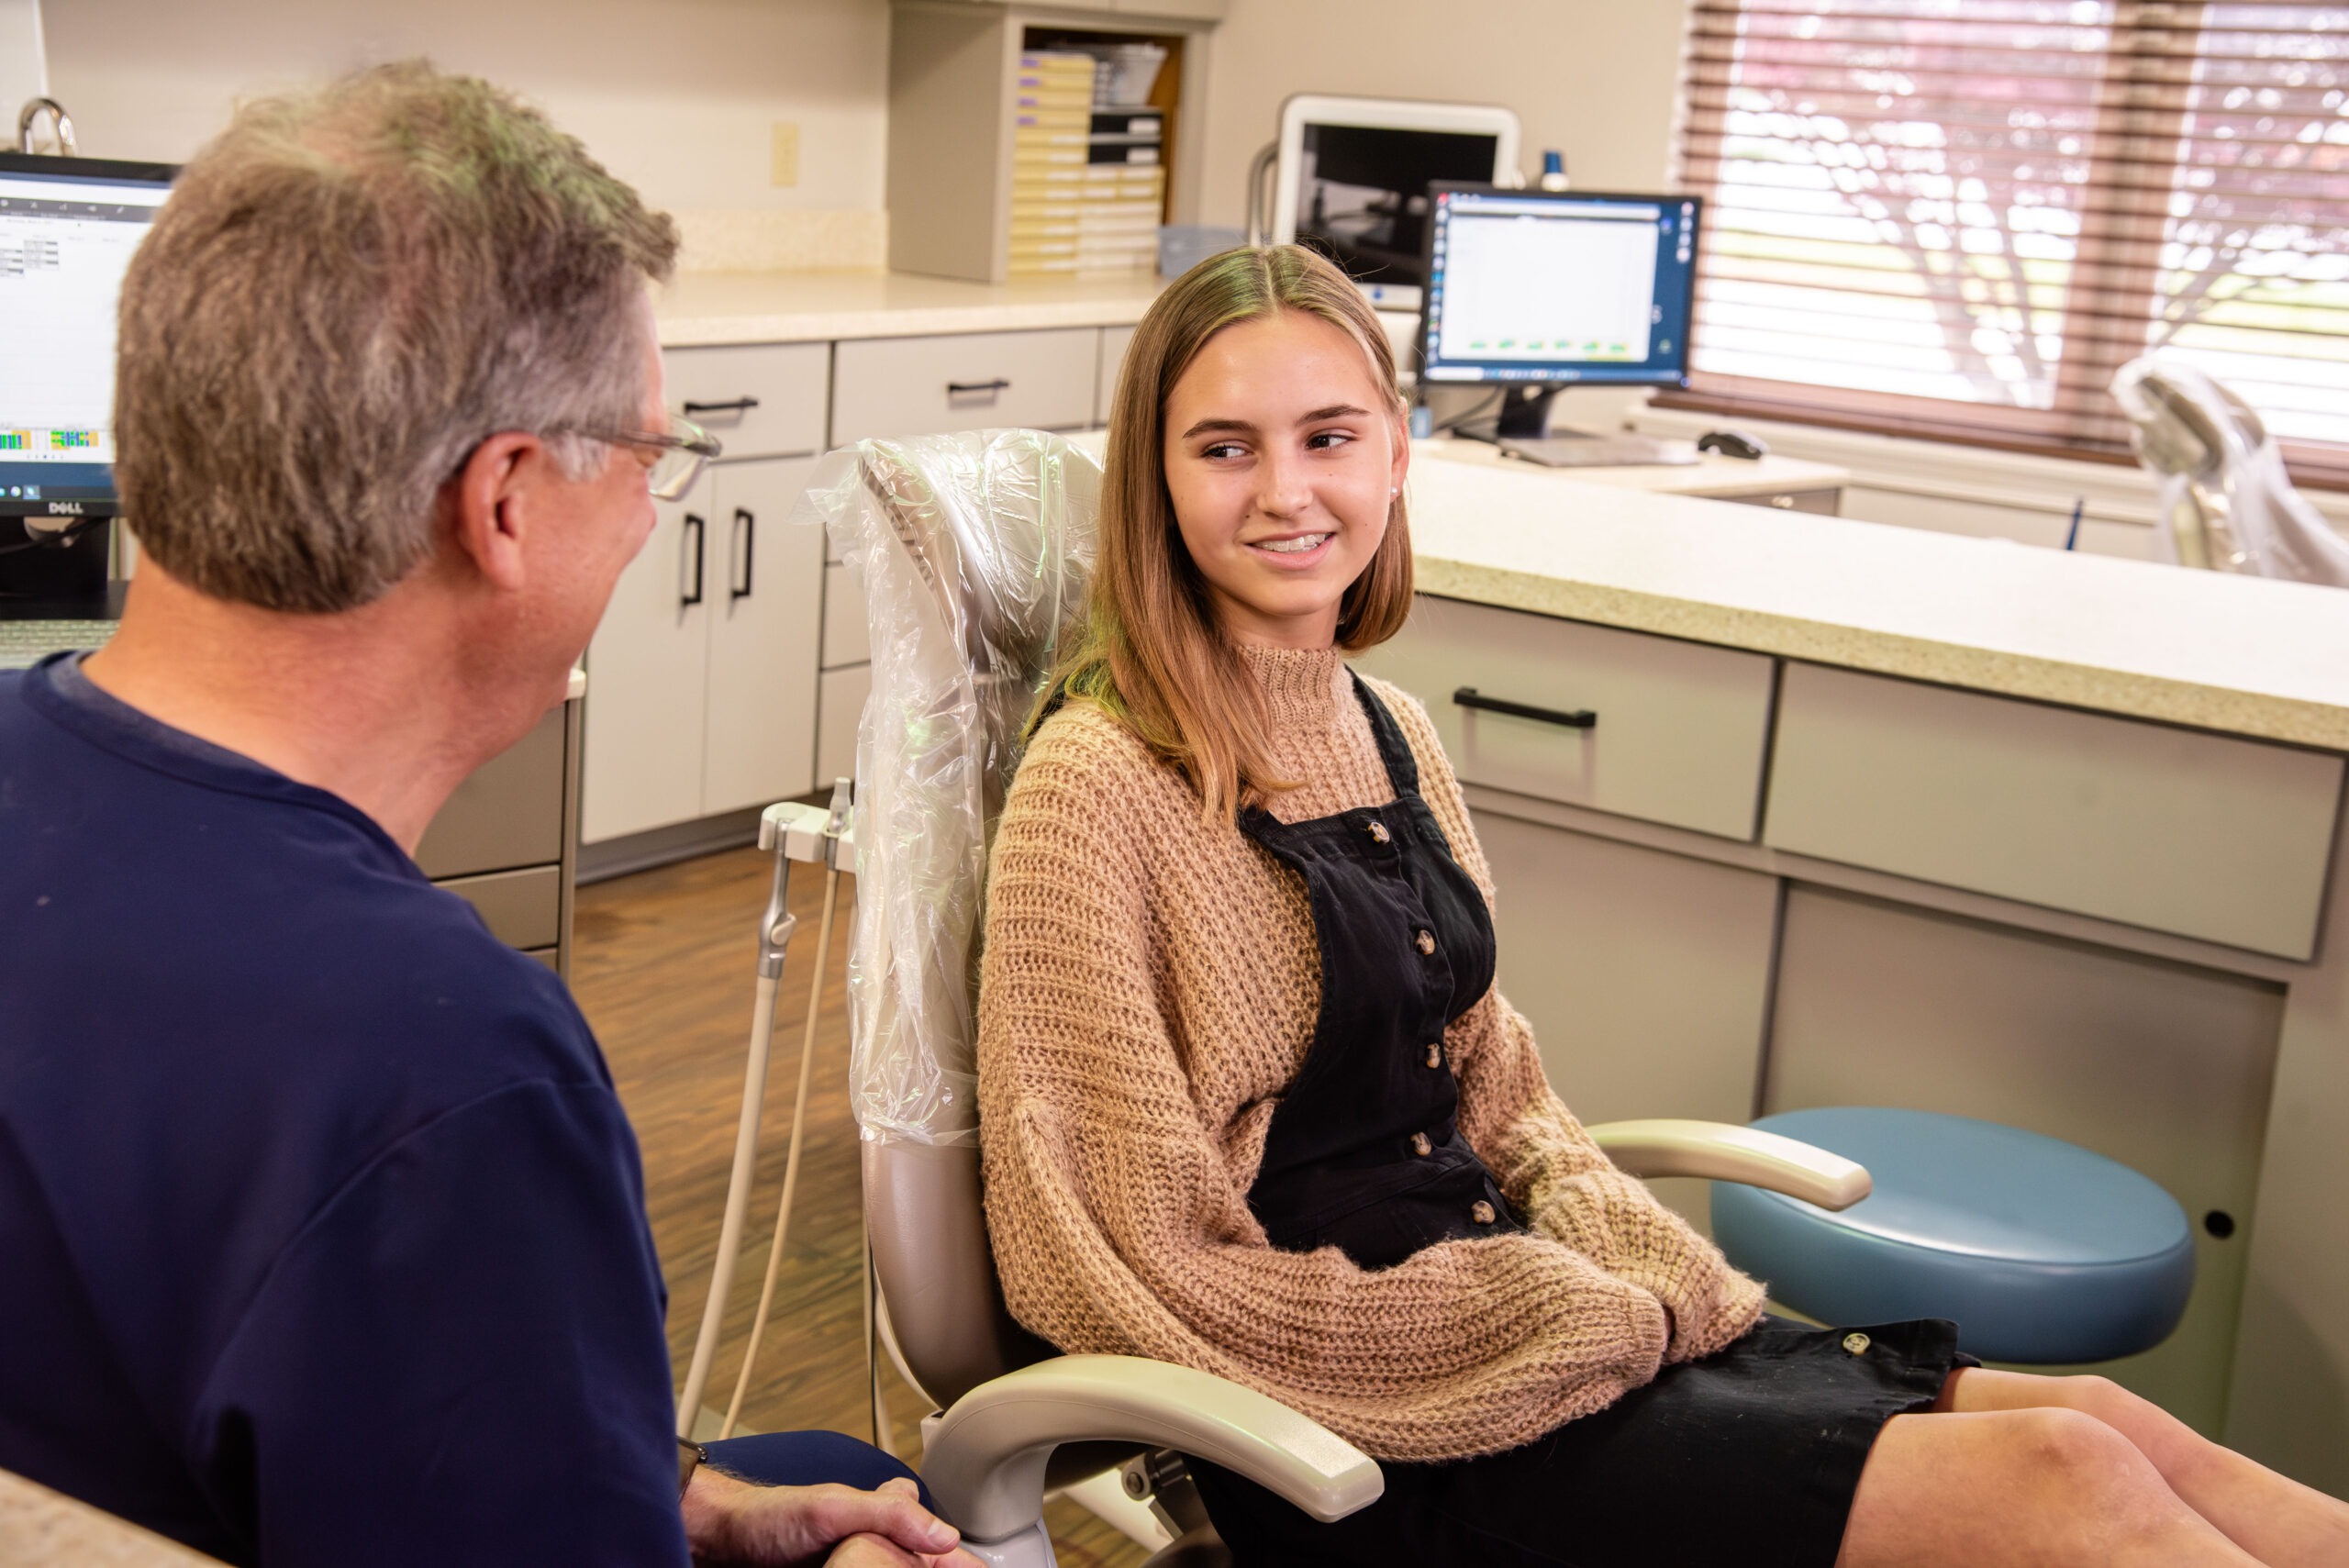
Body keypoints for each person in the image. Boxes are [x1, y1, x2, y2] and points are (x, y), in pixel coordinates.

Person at [973, 244, 2349, 1567]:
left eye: (1328, 436)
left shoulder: (1386, 725)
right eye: (1226, 447)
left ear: (1397, 451)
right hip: (1362, 1440)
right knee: (2068, 1487)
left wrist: (1635, 1267)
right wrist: (1502, 1316)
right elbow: (1105, 1258)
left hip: (1534, 1329)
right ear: (1155, 480)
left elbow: (1498, 1093)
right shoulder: (1098, 783)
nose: (1287, 490)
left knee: (2106, 1428)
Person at [0, 64, 971, 1568]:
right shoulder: (441, 1074)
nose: (655, 514)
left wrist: (681, 1498)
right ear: (505, 499)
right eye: (651, 456)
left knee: (788, 1469)